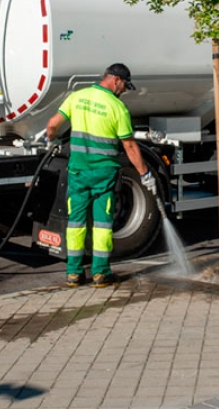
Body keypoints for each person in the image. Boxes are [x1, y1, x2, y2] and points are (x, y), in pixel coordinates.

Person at [45, 63, 157, 288]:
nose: (124, 90)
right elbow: (130, 147)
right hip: (103, 176)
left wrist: (52, 141)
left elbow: (52, 124)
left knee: (75, 222)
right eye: (124, 85)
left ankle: (74, 274)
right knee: (103, 224)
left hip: (78, 172)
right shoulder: (117, 108)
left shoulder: (78, 97)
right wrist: (145, 175)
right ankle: (100, 273)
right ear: (115, 80)